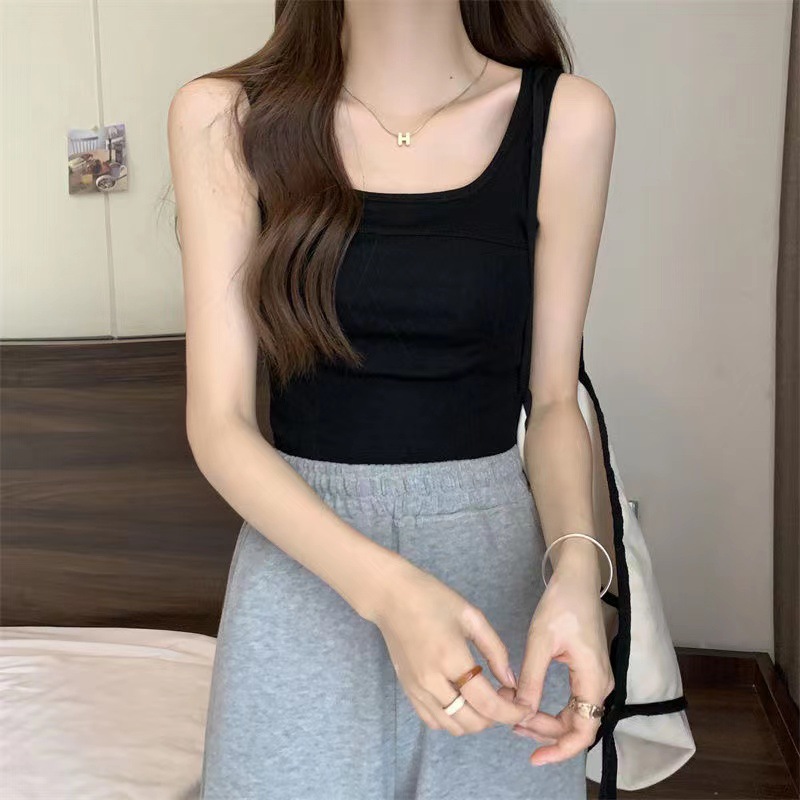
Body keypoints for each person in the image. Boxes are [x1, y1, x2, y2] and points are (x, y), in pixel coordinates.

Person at [167, 0, 616, 797]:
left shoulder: (566, 119)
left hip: (496, 589)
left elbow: (552, 401)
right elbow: (219, 424)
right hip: (300, 574)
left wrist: (578, 572)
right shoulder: (225, 118)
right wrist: (390, 594)